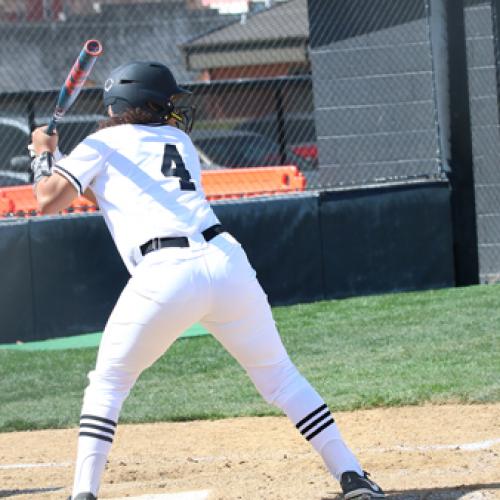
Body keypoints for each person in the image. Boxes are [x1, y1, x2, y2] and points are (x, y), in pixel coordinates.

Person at [30, 61, 385, 500]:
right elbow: (107, 189)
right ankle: (352, 476)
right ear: (143, 103)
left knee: (109, 383)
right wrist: (63, 161)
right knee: (280, 378)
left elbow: (48, 200)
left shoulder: (101, 143)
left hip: (166, 273)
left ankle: (83, 493)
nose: (173, 109)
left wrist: (43, 155)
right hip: (226, 263)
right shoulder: (177, 140)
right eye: (166, 101)